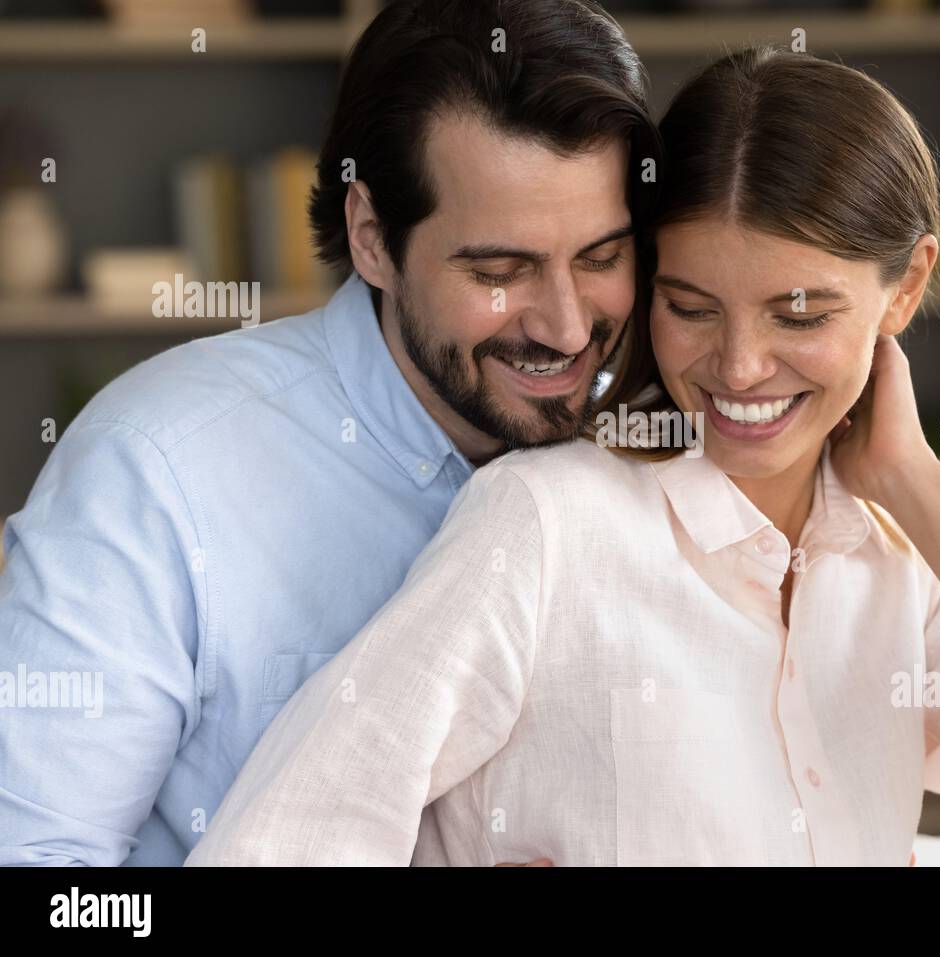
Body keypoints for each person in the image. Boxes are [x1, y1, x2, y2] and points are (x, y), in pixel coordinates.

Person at [186, 46, 940, 867]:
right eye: (689, 307)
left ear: (904, 285)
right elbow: (279, 845)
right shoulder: (547, 527)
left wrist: (918, 487)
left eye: (799, 312)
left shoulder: (894, 564)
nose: (741, 368)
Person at [0, 0, 657, 866]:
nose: (569, 330)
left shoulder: (657, 444)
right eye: (500, 271)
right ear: (373, 237)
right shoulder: (155, 469)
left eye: (602, 257)